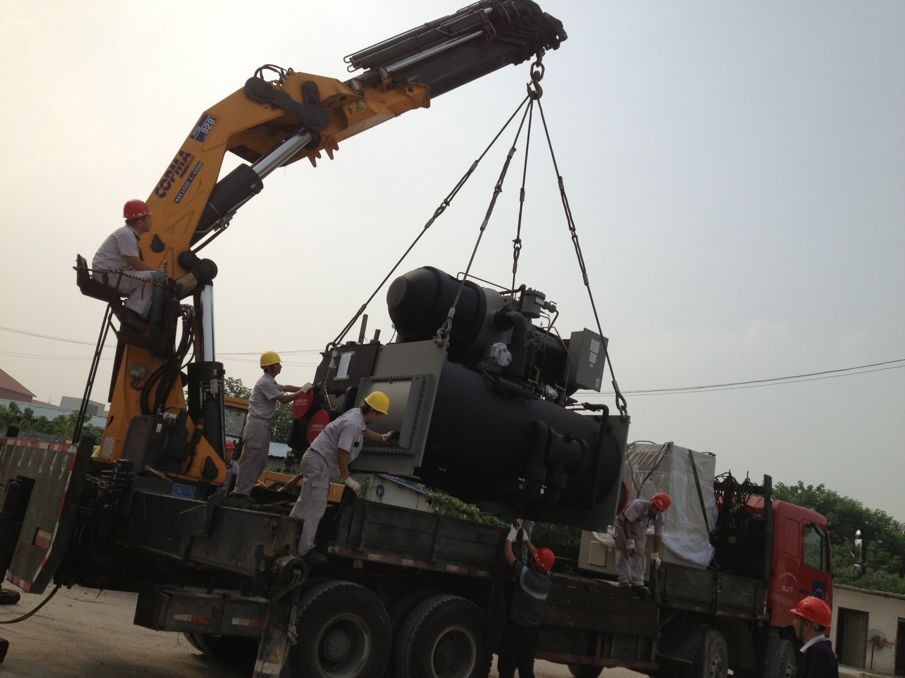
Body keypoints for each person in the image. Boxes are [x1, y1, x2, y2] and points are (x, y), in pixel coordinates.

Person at [285, 391, 393, 564]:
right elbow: (342, 451)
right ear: (374, 412)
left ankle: (286, 540)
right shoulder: (353, 424)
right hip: (319, 462)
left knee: (304, 504)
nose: (379, 418)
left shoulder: (356, 415)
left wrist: (381, 438)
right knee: (315, 508)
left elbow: (363, 432)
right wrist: (347, 478)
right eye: (380, 414)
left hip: (316, 459)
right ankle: (304, 551)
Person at [232, 352, 311, 496]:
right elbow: (284, 399)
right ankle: (239, 493)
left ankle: (245, 491)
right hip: (257, 426)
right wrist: (302, 391)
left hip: (262, 426)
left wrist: (306, 388)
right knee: (251, 461)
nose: (280, 366)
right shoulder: (265, 383)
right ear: (269, 367)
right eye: (277, 364)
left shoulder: (270, 382)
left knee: (260, 462)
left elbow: (285, 387)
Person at [92, 199, 165, 324]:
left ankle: (135, 312)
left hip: (110, 275)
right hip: (109, 276)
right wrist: (159, 272)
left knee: (151, 278)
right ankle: (132, 313)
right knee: (154, 278)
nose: (151, 221)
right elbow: (137, 264)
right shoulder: (126, 234)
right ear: (140, 222)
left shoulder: (128, 233)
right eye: (149, 218)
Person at [497, 524, 555, 678]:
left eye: (533, 559)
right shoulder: (547, 580)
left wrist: (510, 537)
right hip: (532, 633)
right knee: (526, 669)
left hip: (516, 630)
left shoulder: (526, 576)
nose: (531, 558)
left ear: (536, 563)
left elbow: (509, 555)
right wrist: (526, 539)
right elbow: (538, 555)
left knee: (506, 668)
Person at [614, 492, 671, 595]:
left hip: (639, 532)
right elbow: (627, 522)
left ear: (662, 511)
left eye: (657, 509)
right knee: (625, 550)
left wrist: (655, 554)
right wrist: (630, 541)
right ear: (651, 501)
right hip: (623, 526)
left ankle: (637, 583)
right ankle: (624, 581)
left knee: (640, 553)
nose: (654, 509)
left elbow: (658, 535)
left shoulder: (660, 518)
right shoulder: (638, 505)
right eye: (653, 506)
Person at [791, 596, 839, 678]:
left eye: (796, 618)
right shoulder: (818, 651)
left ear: (807, 625)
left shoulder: (818, 653)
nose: (793, 623)